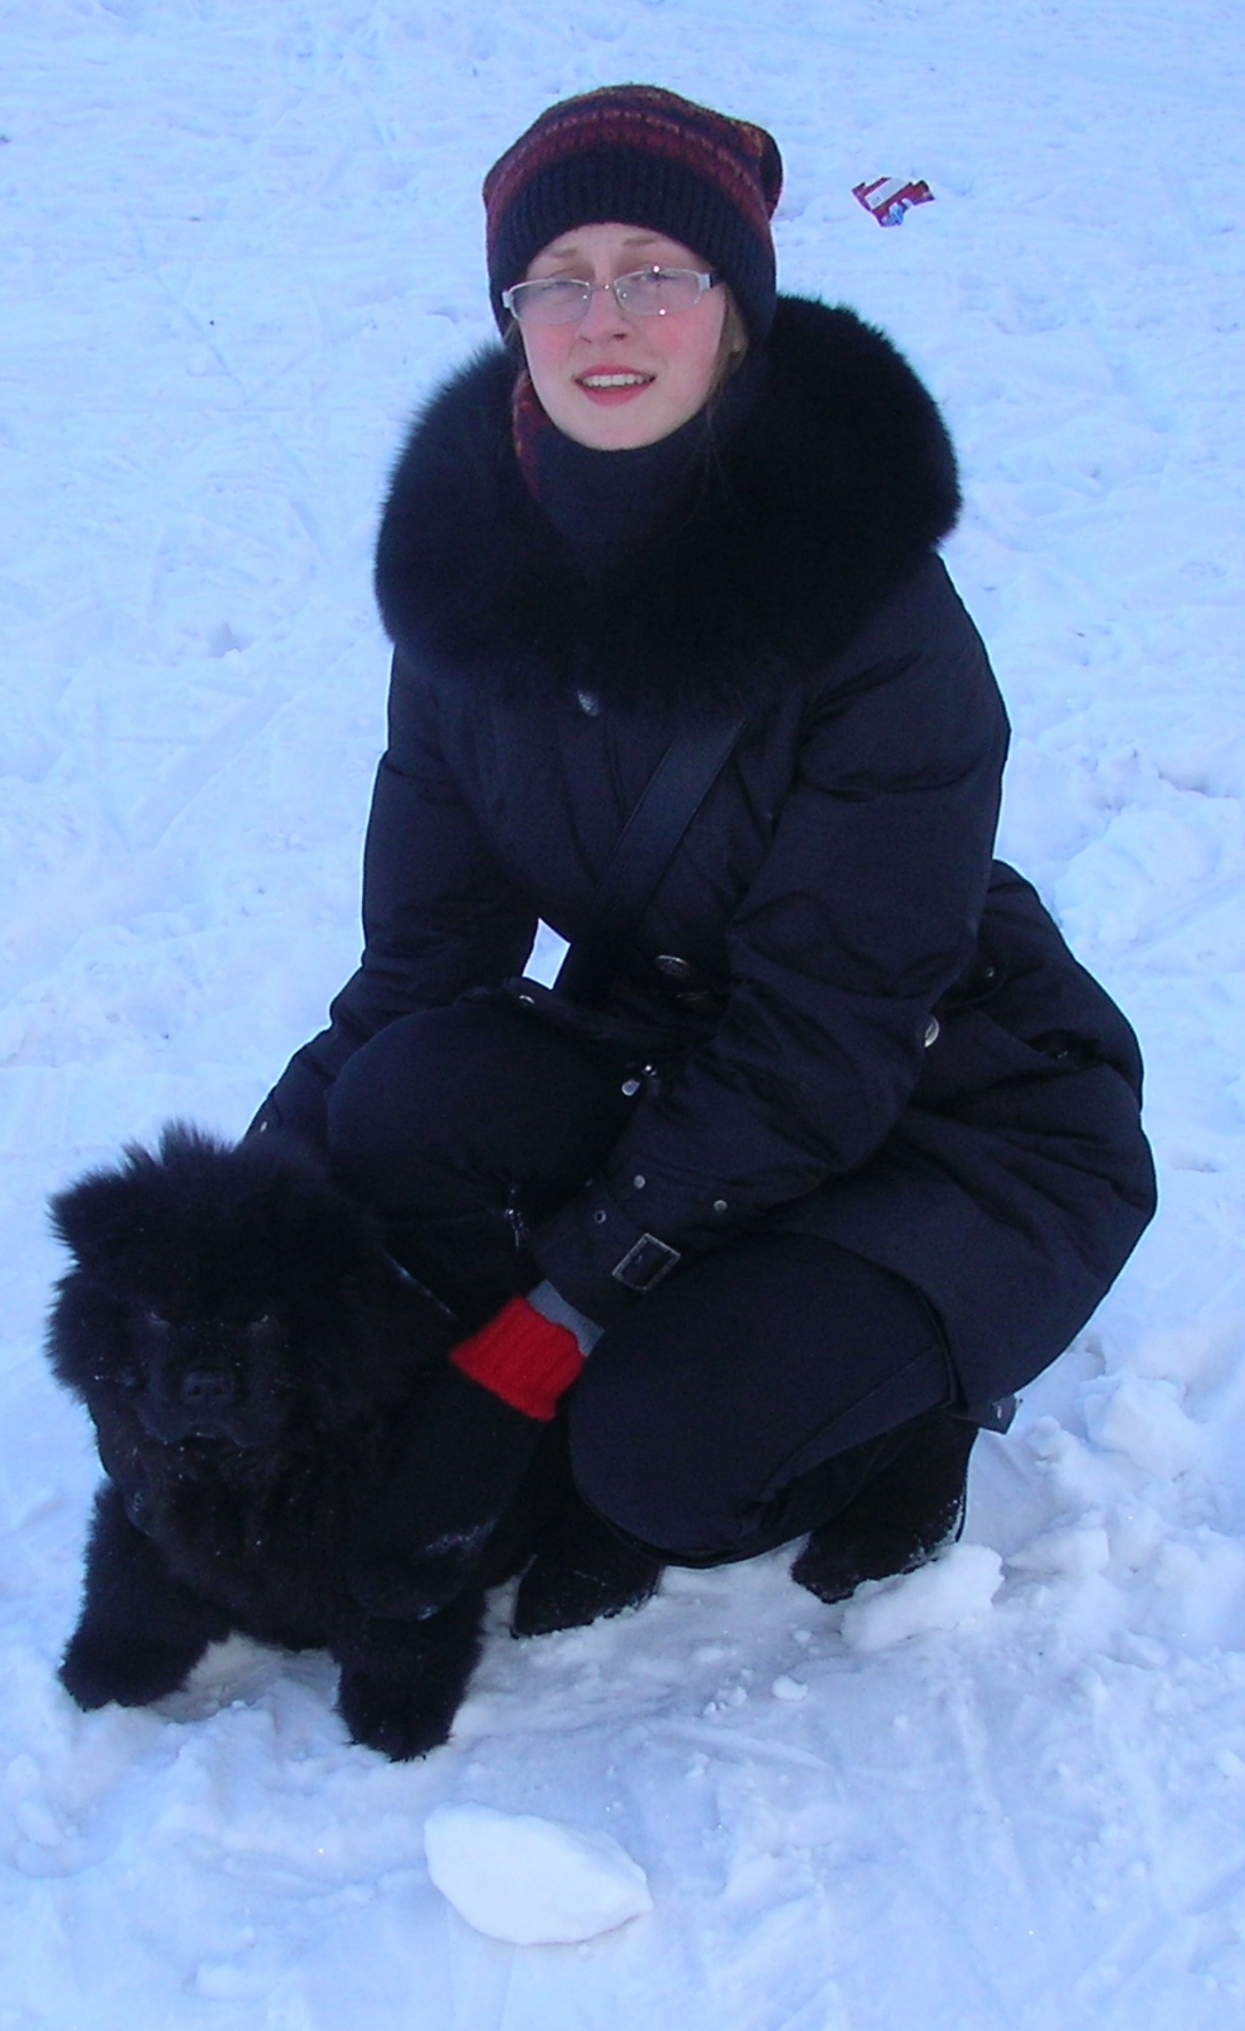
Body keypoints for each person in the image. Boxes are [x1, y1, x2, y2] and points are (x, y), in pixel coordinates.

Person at [251, 85, 1156, 1635]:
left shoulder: (878, 624)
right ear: (512, 314)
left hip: (947, 1095)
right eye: (560, 278)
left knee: (662, 1460)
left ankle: (902, 1399)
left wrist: (534, 1347)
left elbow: (819, 1051)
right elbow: (421, 967)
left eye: (656, 271)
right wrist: (237, 1236)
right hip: (685, 1056)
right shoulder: (470, 589)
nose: (606, 318)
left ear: (737, 308)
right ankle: (692, 1315)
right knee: (403, 1102)